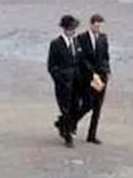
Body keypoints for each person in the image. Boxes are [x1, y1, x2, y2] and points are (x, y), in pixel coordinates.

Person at [74, 14, 111, 145]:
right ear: (91, 24)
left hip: (101, 76)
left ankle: (92, 134)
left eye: (100, 26)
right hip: (88, 77)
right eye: (96, 25)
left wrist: (106, 71)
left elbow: (106, 56)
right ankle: (72, 122)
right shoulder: (82, 38)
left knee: (97, 106)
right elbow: (81, 58)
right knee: (87, 104)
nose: (98, 28)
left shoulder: (103, 38)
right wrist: (92, 73)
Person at [47, 15, 82, 147]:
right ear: (65, 29)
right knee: (66, 108)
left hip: (76, 81)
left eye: (74, 29)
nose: (72, 31)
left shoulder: (76, 42)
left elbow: (79, 60)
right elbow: (51, 65)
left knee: (76, 106)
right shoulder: (56, 44)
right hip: (63, 83)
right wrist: (59, 78)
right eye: (70, 29)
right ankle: (68, 135)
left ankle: (63, 124)